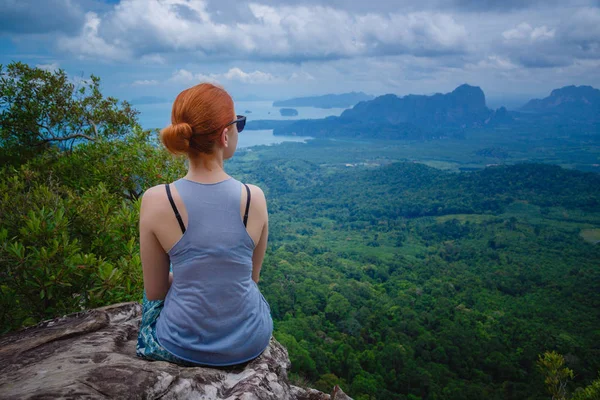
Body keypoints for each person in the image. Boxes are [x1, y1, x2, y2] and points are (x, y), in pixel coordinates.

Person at [136, 83, 273, 369]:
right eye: (239, 124)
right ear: (225, 135)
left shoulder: (156, 200)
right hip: (249, 341)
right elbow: (251, 278)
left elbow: (155, 292)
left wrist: (190, 277)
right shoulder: (253, 198)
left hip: (181, 343)